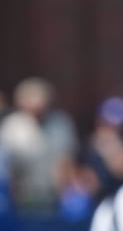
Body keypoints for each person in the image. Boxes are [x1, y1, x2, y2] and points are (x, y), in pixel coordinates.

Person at [0, 77, 78, 213]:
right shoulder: (12, 126)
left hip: (53, 197)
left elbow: (66, 161)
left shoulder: (60, 123)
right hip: (20, 200)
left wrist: (68, 191)